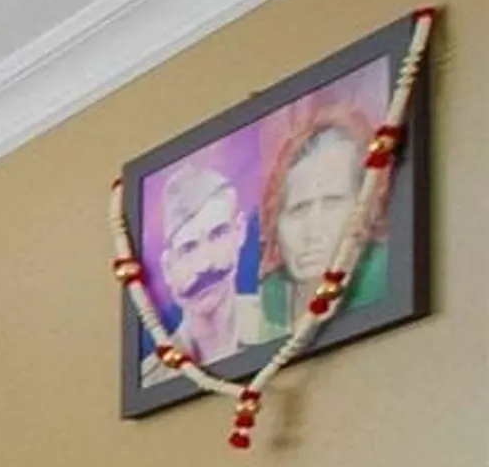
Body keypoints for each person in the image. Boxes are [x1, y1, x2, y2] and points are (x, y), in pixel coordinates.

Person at [243, 92, 386, 350]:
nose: (313, 230)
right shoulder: (260, 306)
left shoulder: (386, 275)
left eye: (332, 203)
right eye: (298, 209)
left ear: (366, 205)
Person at [144, 156, 252, 371]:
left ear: (240, 231)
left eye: (218, 234)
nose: (205, 264)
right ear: (167, 268)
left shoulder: (282, 326)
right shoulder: (153, 375)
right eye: (188, 248)